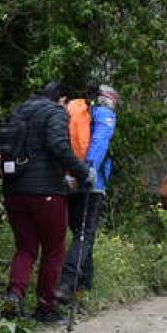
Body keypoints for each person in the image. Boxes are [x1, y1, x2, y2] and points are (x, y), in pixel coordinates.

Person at [0, 82, 94, 323]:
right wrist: (83, 172)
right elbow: (58, 146)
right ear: (62, 99)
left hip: (13, 190)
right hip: (46, 192)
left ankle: (15, 294)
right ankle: (45, 306)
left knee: (26, 247)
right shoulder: (55, 112)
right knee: (54, 250)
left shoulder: (19, 112)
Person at [55, 85, 119, 302]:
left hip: (68, 179)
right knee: (85, 234)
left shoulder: (75, 112)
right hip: (91, 183)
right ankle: (67, 283)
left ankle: (84, 285)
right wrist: (88, 170)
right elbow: (100, 143)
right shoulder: (105, 115)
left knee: (78, 233)